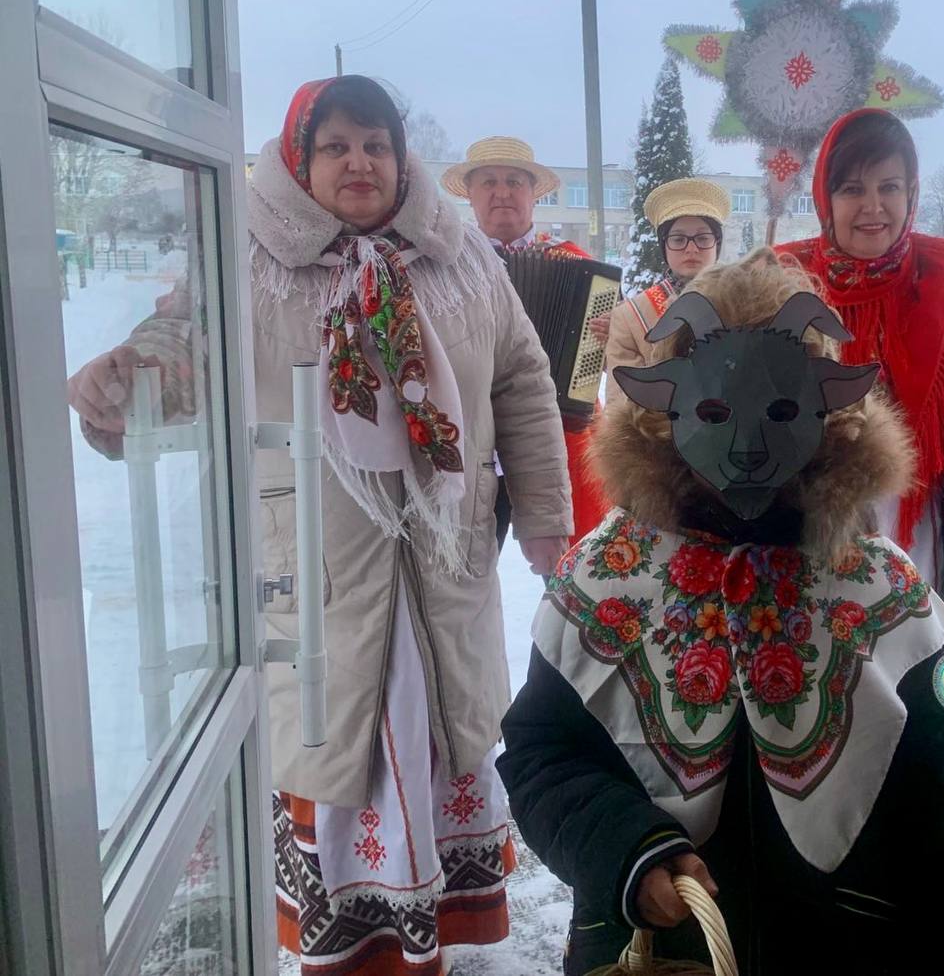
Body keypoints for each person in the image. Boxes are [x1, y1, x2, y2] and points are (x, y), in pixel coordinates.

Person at [67, 75, 574, 975]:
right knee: (341, 751)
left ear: (401, 158)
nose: (359, 162)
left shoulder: (461, 257)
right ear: (301, 160)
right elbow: (183, 349)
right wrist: (128, 382)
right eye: (336, 146)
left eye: (376, 145)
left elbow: (523, 382)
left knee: (436, 736)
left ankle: (429, 942)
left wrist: (542, 513)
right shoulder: (250, 257)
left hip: (442, 563)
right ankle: (353, 953)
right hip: (320, 569)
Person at [498, 253, 944, 975]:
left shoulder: (880, 592)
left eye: (782, 410)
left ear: (830, 410)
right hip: (662, 956)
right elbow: (541, 752)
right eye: (713, 412)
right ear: (666, 411)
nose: (749, 446)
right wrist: (627, 849)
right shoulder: (607, 580)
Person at [774, 107, 944, 831]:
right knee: (837, 724)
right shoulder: (784, 291)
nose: (873, 206)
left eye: (890, 186)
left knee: (938, 715)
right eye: (852, 188)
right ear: (825, 198)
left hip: (938, 539)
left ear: (913, 193)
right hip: (822, 549)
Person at [442, 137, 610, 550]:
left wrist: (610, 341)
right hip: (471, 430)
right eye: (489, 182)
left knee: (571, 561)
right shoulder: (446, 266)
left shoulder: (577, 265)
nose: (502, 192)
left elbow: (609, 360)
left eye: (514, 182)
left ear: (533, 194)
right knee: (465, 560)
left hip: (557, 436)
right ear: (470, 195)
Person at [602, 176, 730, 404]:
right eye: (678, 239)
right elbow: (622, 408)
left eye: (702, 238)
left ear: (717, 244)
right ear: (664, 246)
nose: (691, 249)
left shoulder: (745, 304)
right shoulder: (631, 318)